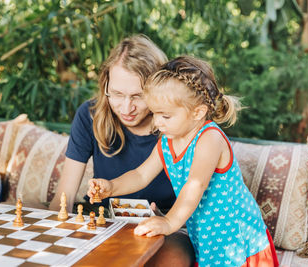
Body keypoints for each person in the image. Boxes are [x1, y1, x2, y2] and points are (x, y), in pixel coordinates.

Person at [87, 56, 280, 267]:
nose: (157, 122)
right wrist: (111, 186)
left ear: (198, 112)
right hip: (207, 238)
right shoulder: (166, 142)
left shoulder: (210, 138)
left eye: (165, 116)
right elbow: (141, 175)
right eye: (154, 114)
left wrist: (169, 222)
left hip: (236, 239)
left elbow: (195, 184)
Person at [49, 35, 195, 266]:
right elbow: (63, 198)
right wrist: (49, 236)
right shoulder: (89, 116)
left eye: (138, 96)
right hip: (101, 220)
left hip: (168, 225)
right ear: (105, 84)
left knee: (170, 260)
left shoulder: (175, 125)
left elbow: (196, 197)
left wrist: (166, 221)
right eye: (117, 94)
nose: (126, 108)